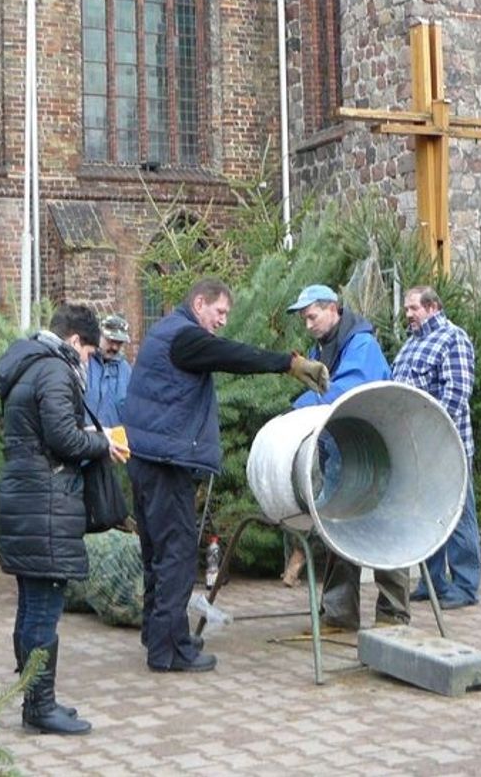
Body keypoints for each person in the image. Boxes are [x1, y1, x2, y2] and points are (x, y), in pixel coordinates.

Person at [123, 277, 329, 674]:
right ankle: (171, 650)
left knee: (157, 555)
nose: (222, 321)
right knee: (177, 557)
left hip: (148, 459)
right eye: (220, 312)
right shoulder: (184, 337)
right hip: (167, 465)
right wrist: (288, 363)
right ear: (199, 303)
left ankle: (158, 634)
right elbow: (232, 355)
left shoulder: (165, 334)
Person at [0, 303, 127, 735]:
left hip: (26, 499)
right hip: (44, 503)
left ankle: (36, 700)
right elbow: (62, 438)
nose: (88, 359)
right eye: (89, 352)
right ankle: (39, 706)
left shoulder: (27, 367)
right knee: (43, 608)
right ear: (74, 342)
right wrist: (102, 442)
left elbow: (42, 435)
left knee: (33, 603)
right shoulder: (53, 370)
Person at [285, 284, 409, 631]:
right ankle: (340, 614)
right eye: (304, 319)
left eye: (312, 316)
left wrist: (295, 410)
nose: (307, 324)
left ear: (333, 309)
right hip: (342, 454)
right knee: (338, 528)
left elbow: (345, 391)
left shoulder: (361, 346)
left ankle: (392, 616)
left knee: (385, 530)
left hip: (376, 454)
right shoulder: (322, 347)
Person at [392, 285, 480, 609]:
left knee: (458, 515)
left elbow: (456, 394)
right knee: (427, 517)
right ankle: (433, 582)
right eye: (406, 310)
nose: (408, 315)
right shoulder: (411, 344)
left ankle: (466, 586)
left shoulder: (452, 338)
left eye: (412, 308)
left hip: (446, 447)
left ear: (431, 307)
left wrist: (433, 436)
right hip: (416, 449)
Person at [84, 314, 133, 426]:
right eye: (111, 341)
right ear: (99, 336)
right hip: (84, 439)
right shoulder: (84, 361)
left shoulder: (125, 370)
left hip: (114, 440)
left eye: (119, 343)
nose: (115, 347)